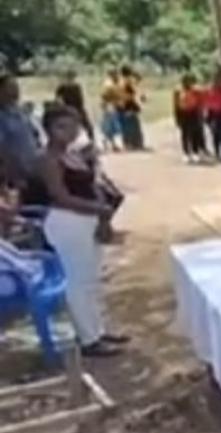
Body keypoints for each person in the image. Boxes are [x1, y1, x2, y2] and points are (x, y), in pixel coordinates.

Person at [37, 106, 128, 358]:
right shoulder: (49, 159)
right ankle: (88, 338)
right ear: (49, 130)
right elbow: (60, 196)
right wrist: (97, 208)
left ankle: (97, 329)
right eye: (61, 127)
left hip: (87, 220)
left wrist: (102, 214)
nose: (69, 132)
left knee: (91, 278)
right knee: (77, 280)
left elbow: (92, 184)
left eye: (73, 126)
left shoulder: (73, 155)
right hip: (67, 222)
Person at [0, 75, 40, 194]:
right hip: (14, 174)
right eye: (10, 87)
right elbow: (2, 150)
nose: (16, 91)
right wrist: (13, 175)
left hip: (33, 168)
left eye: (16, 86)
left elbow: (35, 135)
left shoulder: (21, 112)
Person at [173, 74, 209, 164]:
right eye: (184, 81)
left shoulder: (196, 91)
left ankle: (195, 152)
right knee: (185, 134)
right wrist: (177, 117)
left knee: (194, 133)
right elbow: (176, 105)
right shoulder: (178, 91)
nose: (186, 83)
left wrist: (201, 114)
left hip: (193, 113)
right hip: (183, 113)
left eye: (188, 81)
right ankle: (186, 153)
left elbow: (200, 102)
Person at [55, 70, 92, 140]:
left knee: (86, 124)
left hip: (74, 107)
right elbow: (58, 98)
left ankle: (90, 137)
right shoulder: (64, 87)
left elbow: (80, 99)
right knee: (84, 124)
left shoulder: (74, 86)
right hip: (71, 108)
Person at [117, 66, 144, 150]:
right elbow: (134, 90)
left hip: (124, 105)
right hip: (129, 105)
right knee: (133, 124)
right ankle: (135, 143)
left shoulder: (120, 81)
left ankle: (128, 143)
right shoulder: (127, 81)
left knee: (126, 125)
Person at [99, 70, 124, 152]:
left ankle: (112, 144)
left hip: (111, 106)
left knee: (111, 126)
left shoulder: (112, 83)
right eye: (116, 74)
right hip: (109, 106)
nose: (118, 76)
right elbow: (105, 96)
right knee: (109, 126)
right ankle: (105, 143)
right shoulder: (109, 85)